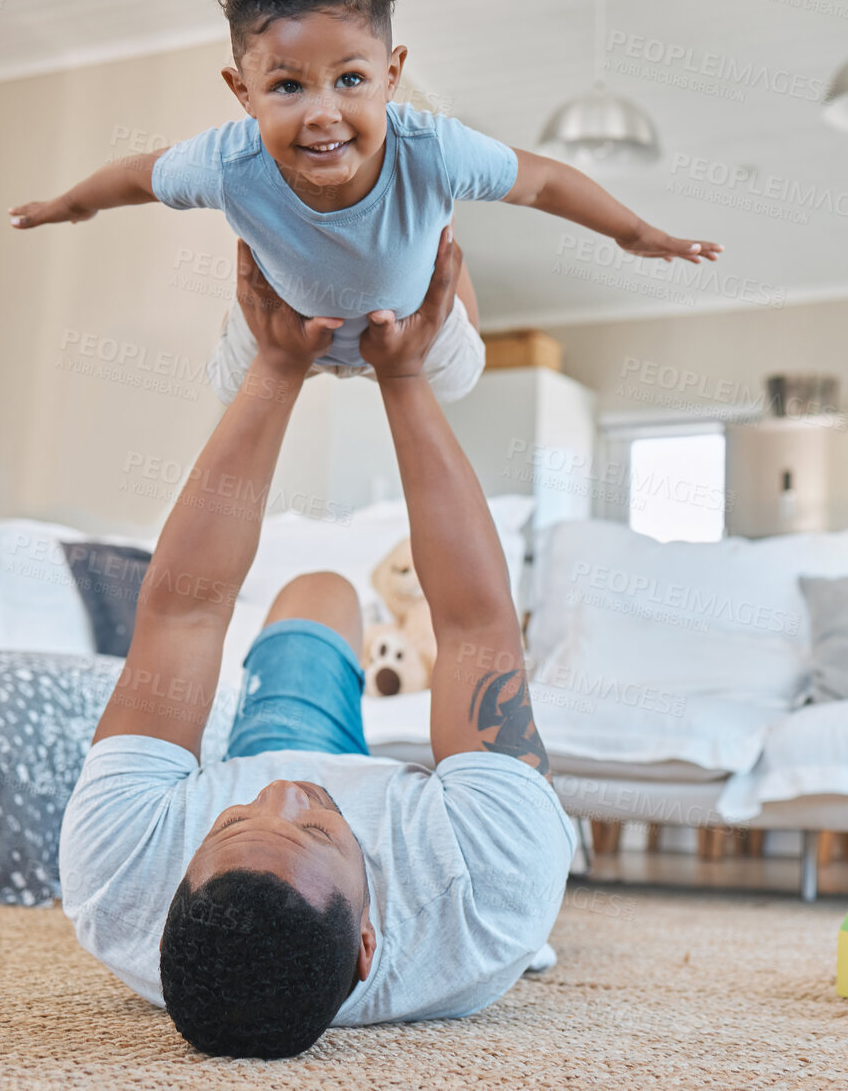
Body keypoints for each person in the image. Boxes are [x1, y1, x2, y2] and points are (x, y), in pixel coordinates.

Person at [58, 226, 572, 1058]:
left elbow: (183, 612)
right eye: (315, 833)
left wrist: (275, 368)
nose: (287, 793)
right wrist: (404, 378)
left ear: (165, 910)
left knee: (320, 593)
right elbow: (478, 624)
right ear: (370, 945)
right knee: (529, 876)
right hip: (438, 837)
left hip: (285, 749)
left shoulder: (118, 877)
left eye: (233, 824)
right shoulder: (492, 887)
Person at [9, 0, 720, 406]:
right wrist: (67, 205)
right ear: (243, 93)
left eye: (350, 79)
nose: (323, 113)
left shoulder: (433, 149)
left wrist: (633, 232)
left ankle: (452, 270)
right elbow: (136, 176)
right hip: (293, 324)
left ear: (391, 75)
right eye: (287, 86)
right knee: (228, 392)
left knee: (460, 381)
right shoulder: (226, 163)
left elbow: (543, 181)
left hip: (409, 323)